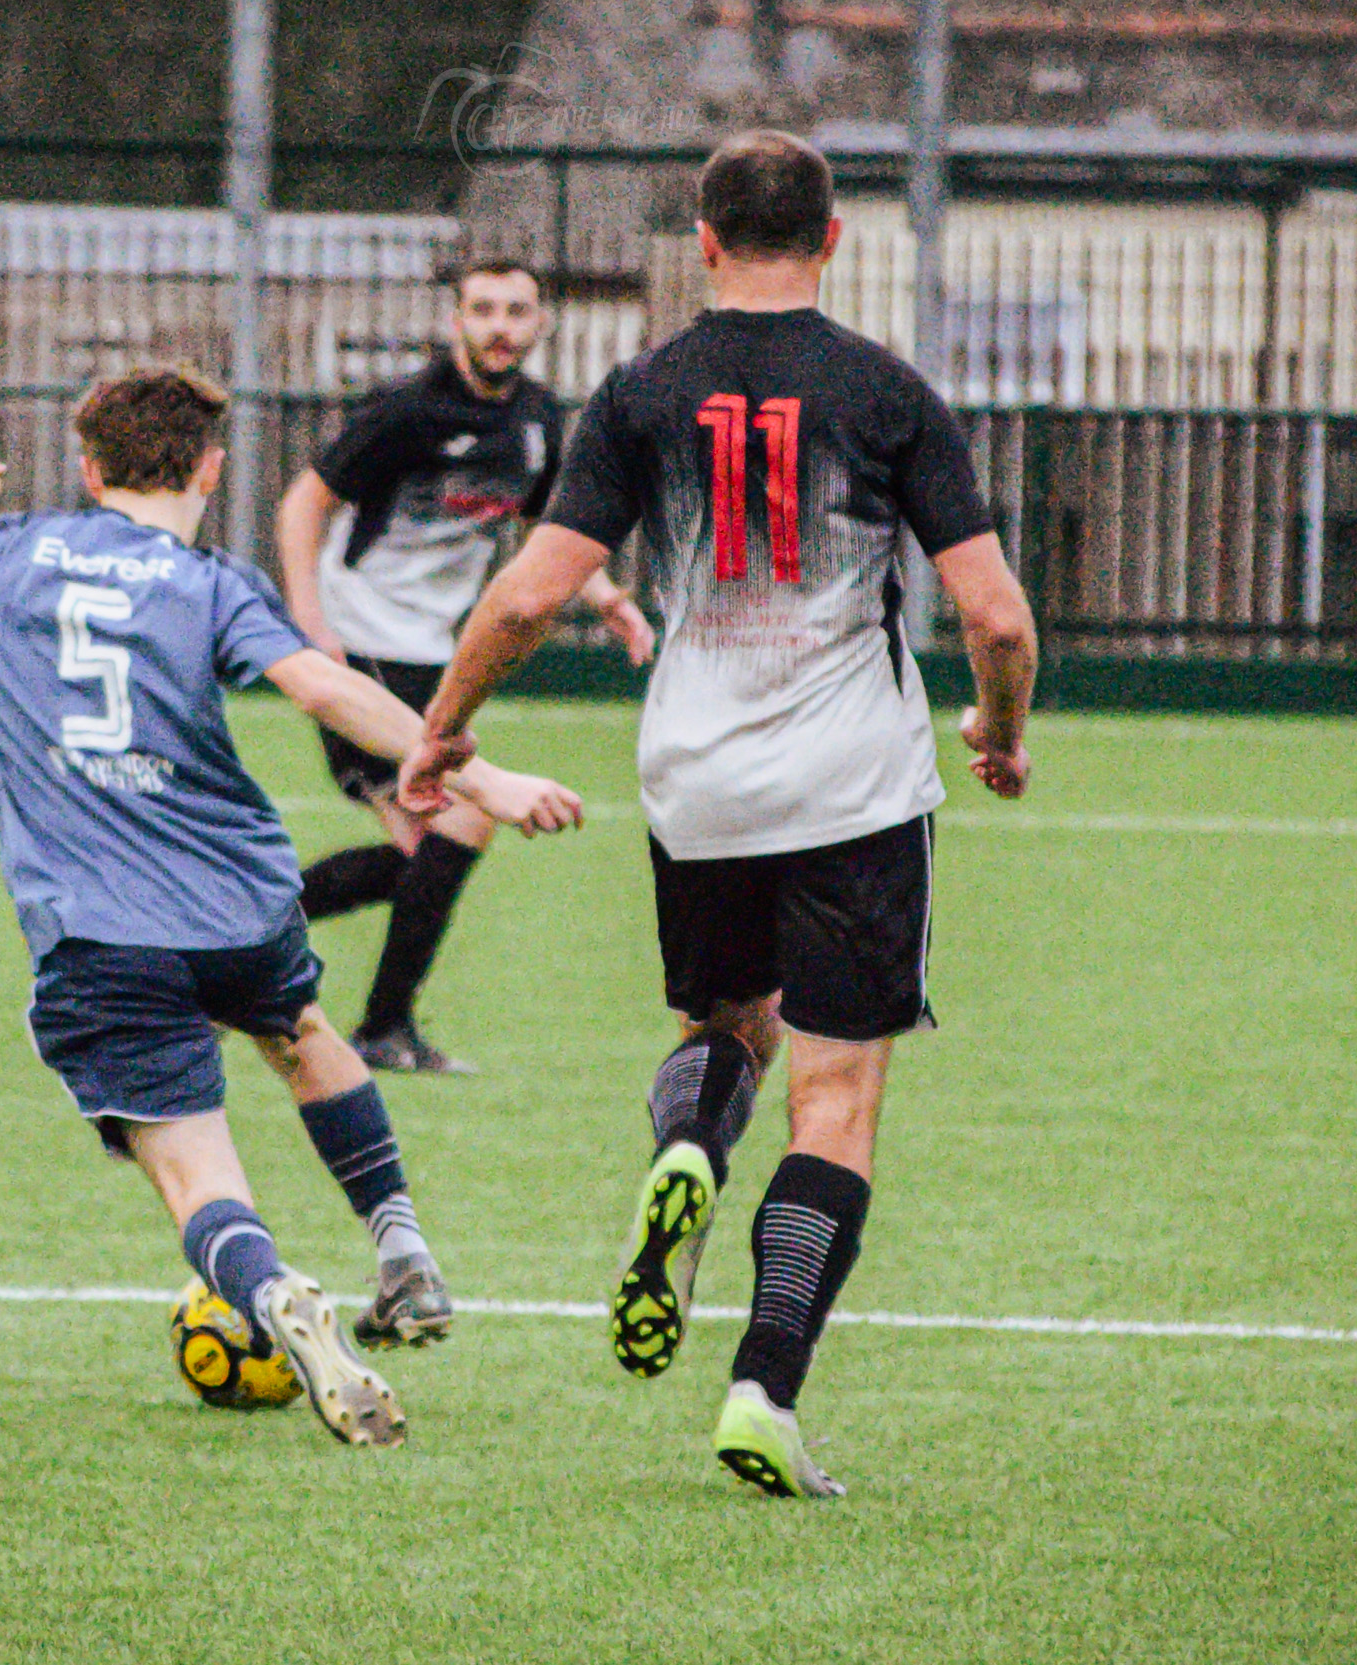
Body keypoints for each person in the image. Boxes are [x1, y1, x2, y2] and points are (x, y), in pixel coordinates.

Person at [399, 132, 1039, 1496]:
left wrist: (445, 729)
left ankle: (688, 1146)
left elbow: (522, 599)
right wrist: (998, 725)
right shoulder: (888, 392)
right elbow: (995, 616)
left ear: (701, 238)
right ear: (835, 239)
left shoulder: (641, 392)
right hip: (855, 786)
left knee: (722, 1027)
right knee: (838, 1099)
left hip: (697, 779)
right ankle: (763, 1388)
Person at [0, 365, 584, 1449]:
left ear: (88, 469)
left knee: (195, 1174)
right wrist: (479, 776)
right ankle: (400, 1243)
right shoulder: (214, 583)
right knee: (302, 1034)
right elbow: (324, 685)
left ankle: (272, 1294)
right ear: (212, 469)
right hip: (239, 906)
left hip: (98, 932)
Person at [274, 258, 655, 1074]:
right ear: (457, 320)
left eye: (516, 310)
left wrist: (605, 597)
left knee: (425, 855)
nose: (499, 326)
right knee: (461, 820)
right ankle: (378, 1023)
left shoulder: (540, 419)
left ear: (539, 324)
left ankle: (245, 934)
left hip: (433, 651)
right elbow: (302, 503)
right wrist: (309, 621)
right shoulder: (408, 410)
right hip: (362, 637)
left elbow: (542, 525)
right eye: (482, 308)